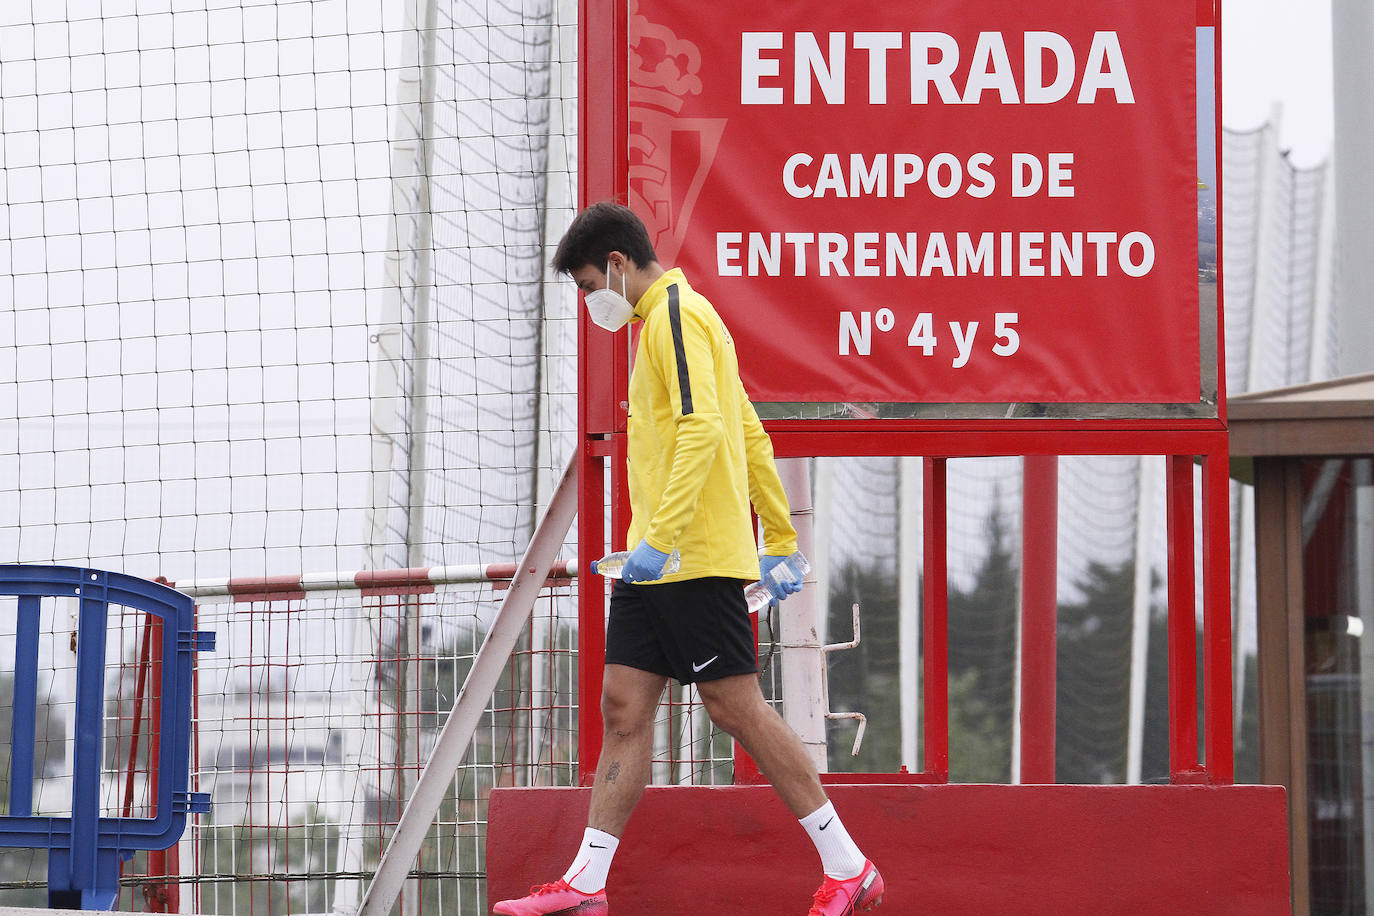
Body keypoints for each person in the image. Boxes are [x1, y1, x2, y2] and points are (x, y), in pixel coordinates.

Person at [491, 202, 884, 916]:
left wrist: (668, 537)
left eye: (587, 286)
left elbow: (709, 429)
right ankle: (586, 883)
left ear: (616, 263)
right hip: (659, 564)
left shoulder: (676, 314)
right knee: (624, 708)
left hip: (691, 559)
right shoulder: (668, 326)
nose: (590, 303)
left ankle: (848, 865)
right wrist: (781, 540)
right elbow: (749, 430)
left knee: (736, 708)